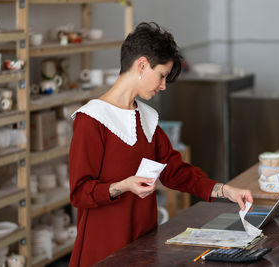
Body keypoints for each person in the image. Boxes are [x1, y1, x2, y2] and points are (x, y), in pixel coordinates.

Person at [68, 22, 253, 266]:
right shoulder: (91, 120)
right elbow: (79, 193)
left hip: (142, 245)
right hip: (104, 250)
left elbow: (175, 171)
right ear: (142, 65)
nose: (163, 86)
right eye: (162, 75)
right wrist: (122, 186)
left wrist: (224, 190)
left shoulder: (146, 117)